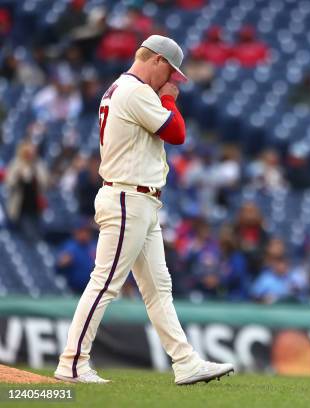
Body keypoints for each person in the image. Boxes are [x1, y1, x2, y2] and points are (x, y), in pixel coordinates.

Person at [55, 35, 234, 385]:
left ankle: (185, 362)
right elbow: (177, 132)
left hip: (141, 200)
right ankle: (72, 363)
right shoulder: (135, 90)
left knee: (158, 289)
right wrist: (168, 98)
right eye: (170, 71)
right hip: (127, 198)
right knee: (105, 283)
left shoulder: (122, 89)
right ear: (155, 60)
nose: (171, 81)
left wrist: (164, 95)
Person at [5, 140, 49, 241]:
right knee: (26, 236)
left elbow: (45, 183)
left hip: (36, 207)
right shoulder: (16, 163)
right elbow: (9, 183)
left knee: (36, 235)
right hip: (20, 207)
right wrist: (18, 174)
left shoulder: (38, 164)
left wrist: (34, 171)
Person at [57, 220, 97, 293]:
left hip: (92, 288)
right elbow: (58, 268)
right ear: (76, 232)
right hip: (73, 289)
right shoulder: (69, 246)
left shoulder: (94, 246)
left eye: (86, 232)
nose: (84, 234)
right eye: (81, 231)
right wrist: (63, 263)